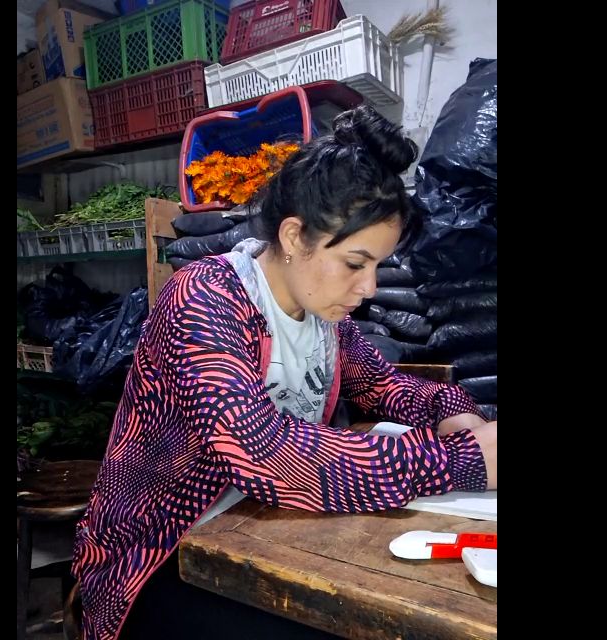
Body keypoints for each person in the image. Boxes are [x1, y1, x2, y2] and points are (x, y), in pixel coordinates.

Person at [72, 105, 497, 640]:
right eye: (355, 263)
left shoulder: (325, 322)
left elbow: (385, 385)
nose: (368, 288)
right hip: (160, 553)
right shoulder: (204, 299)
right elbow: (263, 453)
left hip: (258, 527)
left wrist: (453, 412)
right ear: (295, 237)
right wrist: (460, 461)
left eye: (376, 267)